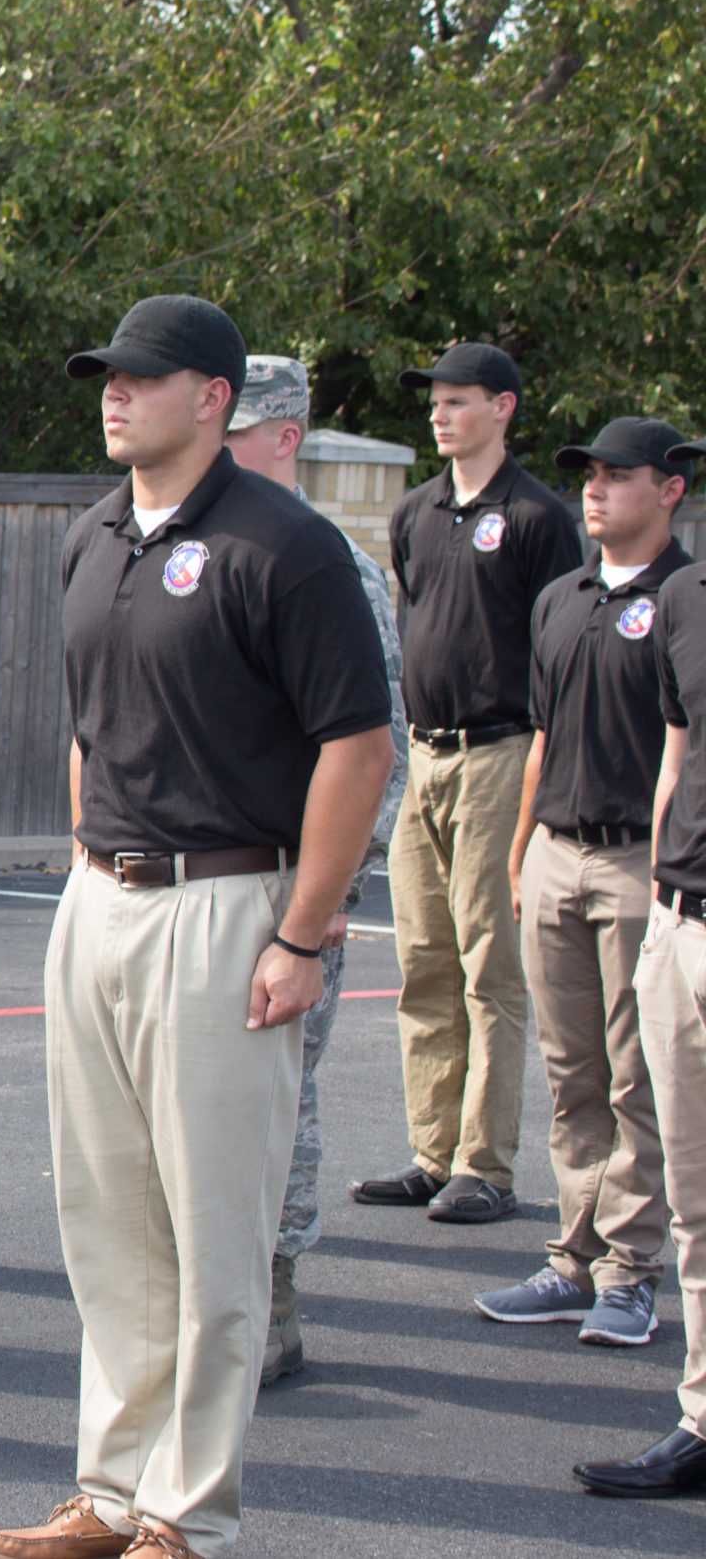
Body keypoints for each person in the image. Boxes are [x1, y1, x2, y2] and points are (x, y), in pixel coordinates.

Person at [0, 297, 391, 1559]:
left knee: (214, 1230)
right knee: (107, 1225)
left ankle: (187, 1512)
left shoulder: (287, 545)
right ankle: (110, 1492)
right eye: (104, 376)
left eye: (140, 378)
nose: (112, 395)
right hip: (103, 899)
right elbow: (89, 723)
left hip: (229, 906)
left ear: (213, 397)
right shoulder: (95, 534)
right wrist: (85, 866)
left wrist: (304, 935)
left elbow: (356, 748)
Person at [474, 417, 688, 1348]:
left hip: (643, 859)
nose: (594, 491)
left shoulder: (688, 598)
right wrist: (522, 850)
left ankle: (630, 1269)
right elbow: (545, 736)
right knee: (573, 1075)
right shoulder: (560, 597)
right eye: (587, 476)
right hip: (559, 849)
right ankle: (572, 1253)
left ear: (671, 488)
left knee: (639, 1075)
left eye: (617, 476)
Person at [358, 342, 583, 1226]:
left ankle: (484, 1163)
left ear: (504, 408)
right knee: (422, 958)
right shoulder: (415, 513)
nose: (440, 415)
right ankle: (431, 1149)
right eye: (435, 402)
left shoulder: (536, 517)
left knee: (490, 963)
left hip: (501, 748)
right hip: (426, 752)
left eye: (458, 401)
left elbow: (561, 643)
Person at [220, 355, 406, 1386]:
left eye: (237, 426)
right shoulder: (199, 538)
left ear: (284, 435)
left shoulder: (330, 559)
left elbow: (379, 746)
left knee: (278, 1096)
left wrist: (323, 900)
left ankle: (273, 1299)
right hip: (205, 876)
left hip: (293, 885)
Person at [577, 439, 706, 1497]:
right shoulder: (688, 596)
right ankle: (703, 1419)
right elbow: (674, 750)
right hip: (682, 921)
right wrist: (665, 901)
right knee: (698, 1200)